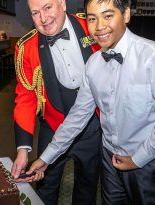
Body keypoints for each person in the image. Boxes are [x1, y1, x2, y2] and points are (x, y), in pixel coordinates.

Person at [23, 0, 155, 204]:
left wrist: (138, 158)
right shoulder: (93, 64)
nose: (99, 26)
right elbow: (77, 116)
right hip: (109, 159)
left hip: (146, 160)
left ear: (126, 15)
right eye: (92, 18)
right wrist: (45, 158)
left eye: (108, 16)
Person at [11, 0, 102, 204]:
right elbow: (26, 98)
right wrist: (22, 150)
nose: (43, 19)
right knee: (45, 189)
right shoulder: (26, 48)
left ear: (62, 3)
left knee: (87, 189)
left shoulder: (93, 25)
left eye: (48, 8)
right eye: (35, 13)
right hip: (52, 128)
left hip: (92, 127)